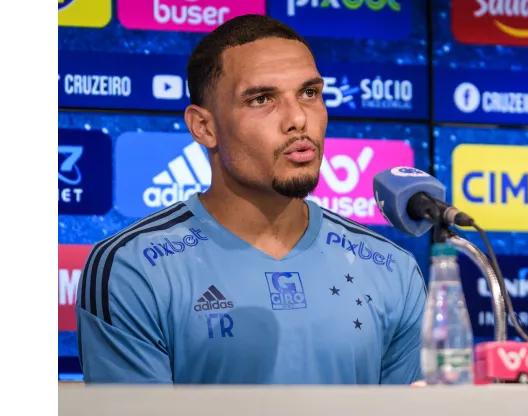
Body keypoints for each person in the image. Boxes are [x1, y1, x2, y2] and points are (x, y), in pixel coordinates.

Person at [75, 14, 428, 385]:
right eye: (262, 99)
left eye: (310, 93)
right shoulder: (133, 268)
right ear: (204, 127)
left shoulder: (393, 269)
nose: (297, 119)